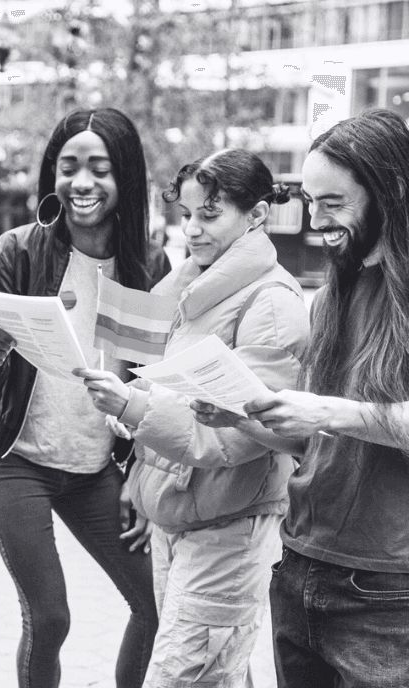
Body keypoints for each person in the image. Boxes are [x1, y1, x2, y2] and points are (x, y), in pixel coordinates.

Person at [191, 108, 409, 687]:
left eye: (333, 203)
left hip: (387, 590)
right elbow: (312, 440)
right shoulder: (335, 290)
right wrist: (244, 415)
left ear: (392, 191)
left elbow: (336, 419)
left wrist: (328, 411)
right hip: (302, 566)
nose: (318, 221)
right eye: (311, 202)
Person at [75, 149, 310, 686]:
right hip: (177, 516)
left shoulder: (271, 303)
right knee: (214, 672)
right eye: (186, 214)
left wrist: (134, 407)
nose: (193, 229)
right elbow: (156, 386)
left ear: (255, 216)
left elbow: (244, 435)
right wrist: (130, 418)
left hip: (229, 523)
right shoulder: (184, 284)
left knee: (185, 675)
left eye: (210, 214)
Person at [0, 107, 169, 688]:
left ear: (125, 177)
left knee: (156, 604)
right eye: (68, 166)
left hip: (95, 467)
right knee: (50, 618)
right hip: (13, 457)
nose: (81, 183)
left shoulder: (148, 265)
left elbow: (149, 381)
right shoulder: (19, 252)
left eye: (99, 169)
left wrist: (139, 474)